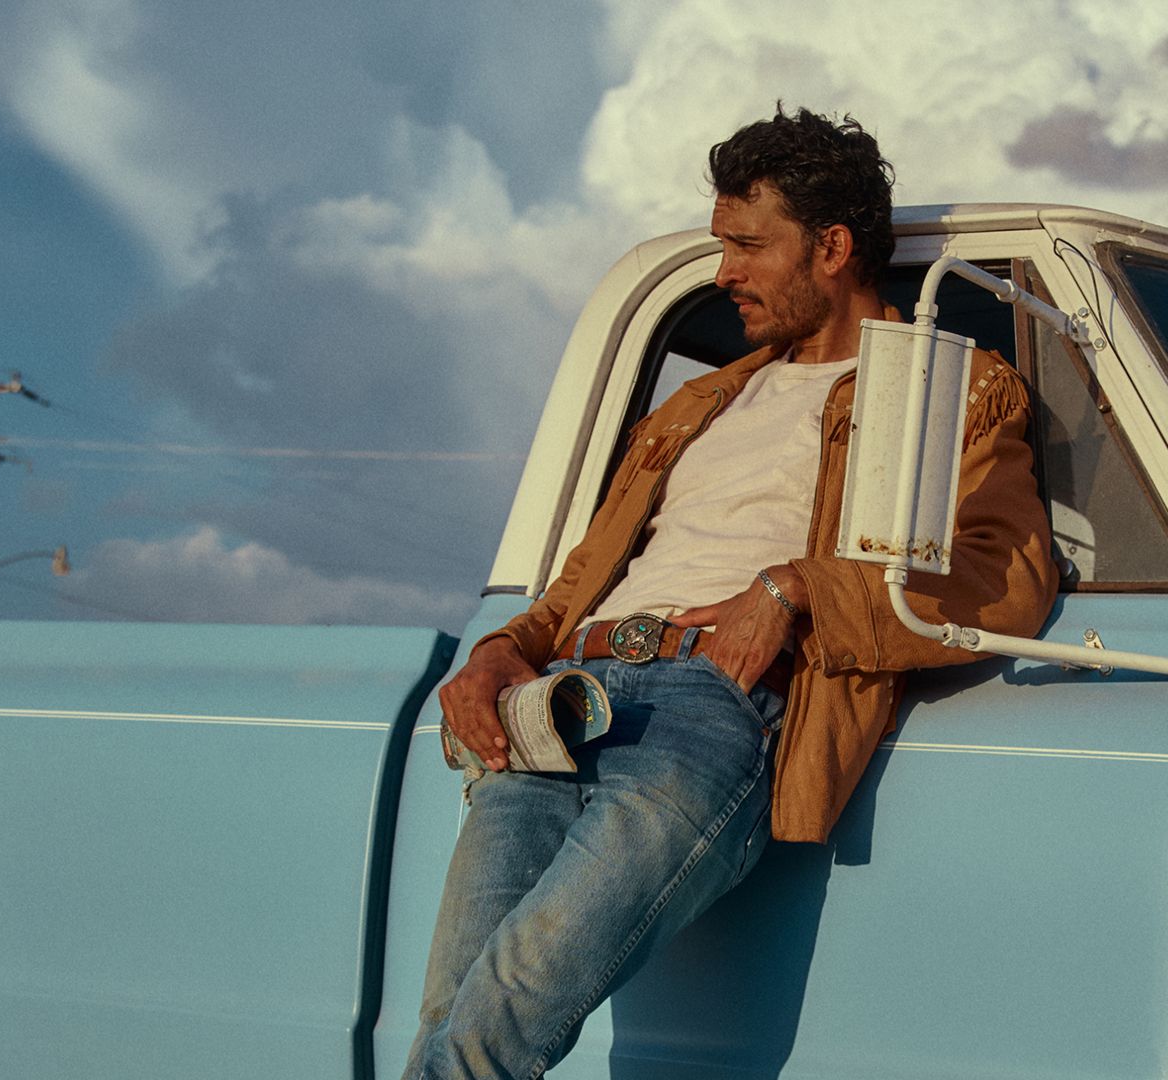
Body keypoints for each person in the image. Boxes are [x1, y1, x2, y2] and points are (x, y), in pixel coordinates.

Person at [406, 105, 1056, 1079]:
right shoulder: (702, 401)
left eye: (748, 247)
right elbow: (581, 583)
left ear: (832, 248)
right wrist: (504, 648)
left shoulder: (949, 392)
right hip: (556, 701)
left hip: (708, 707)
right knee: (451, 1024)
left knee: (493, 1030)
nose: (724, 275)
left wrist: (798, 591)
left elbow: (1004, 577)